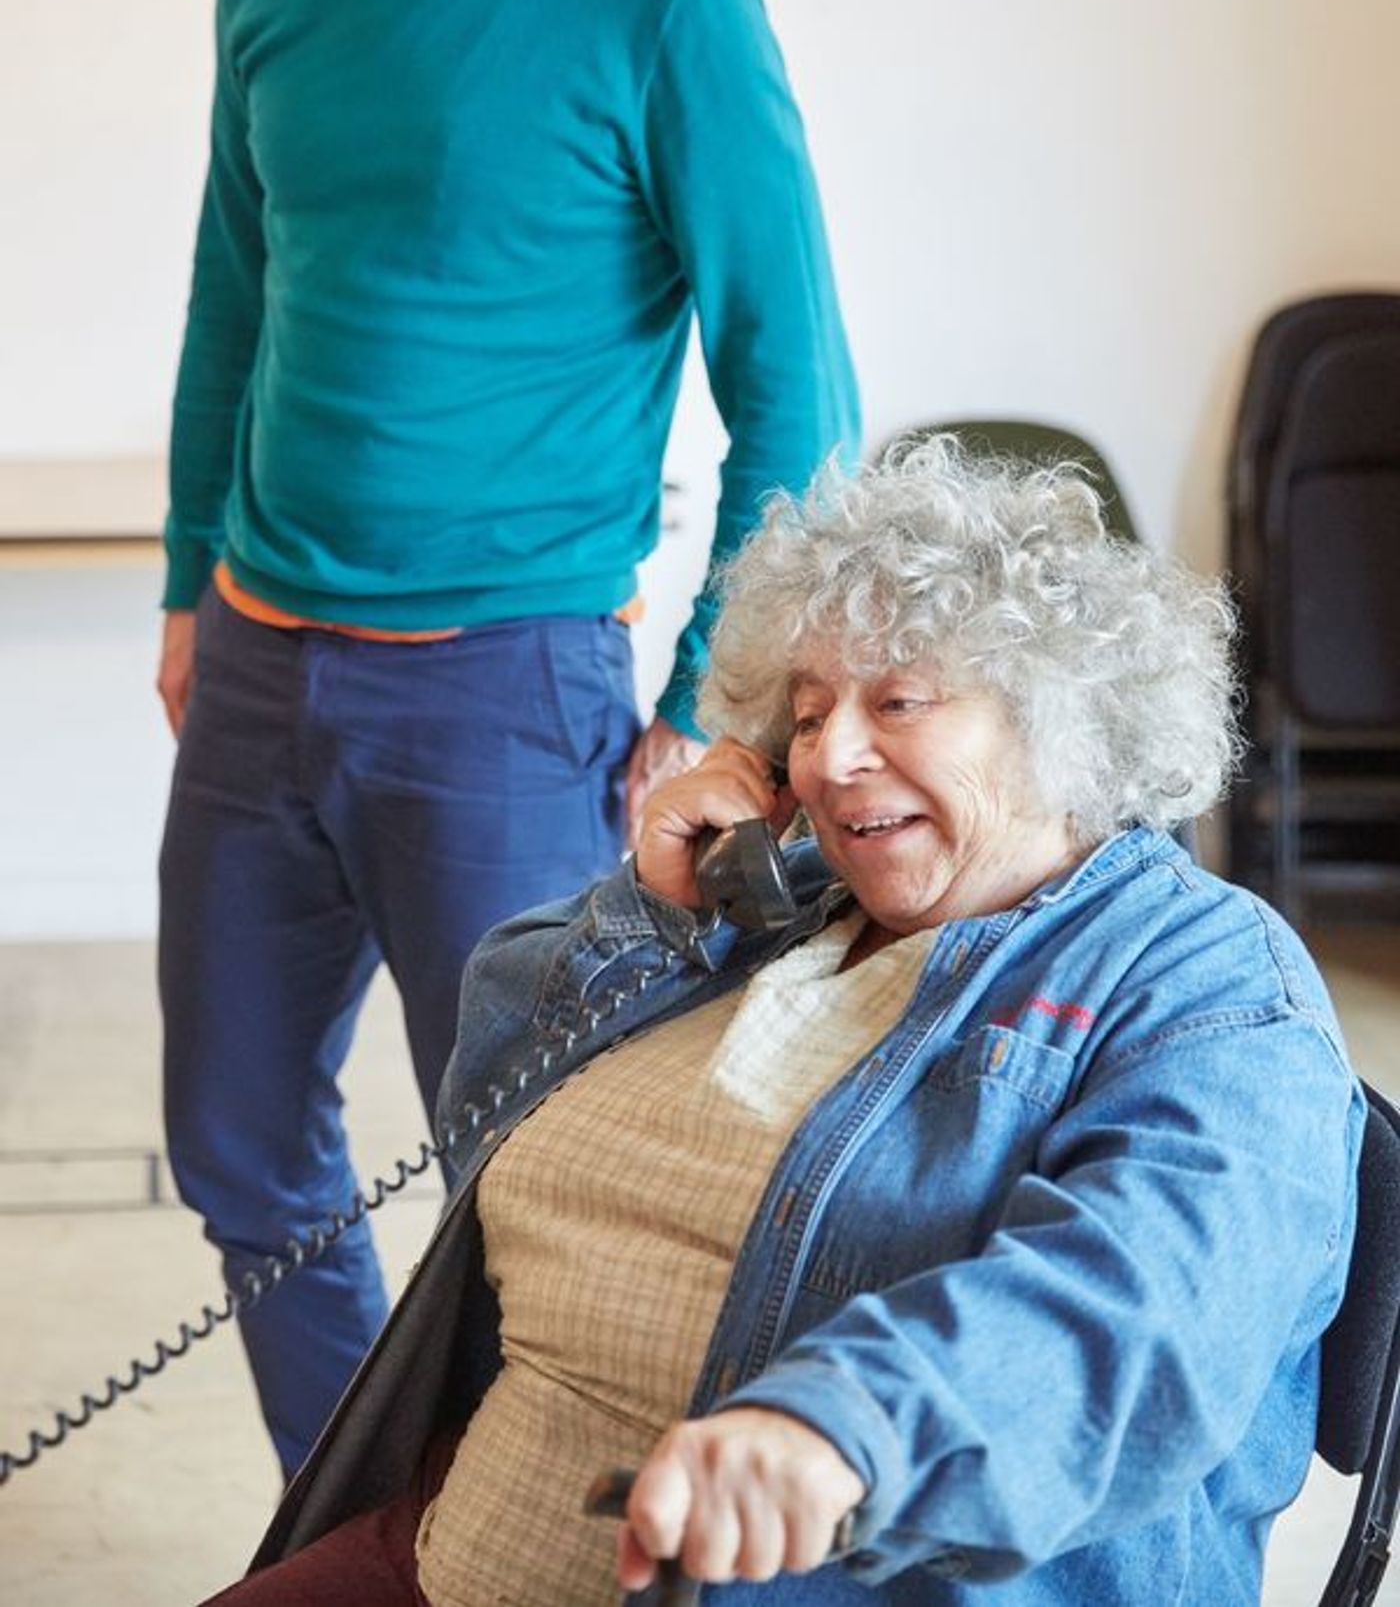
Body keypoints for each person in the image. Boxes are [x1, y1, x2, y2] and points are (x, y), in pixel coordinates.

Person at [156, 0, 859, 1481]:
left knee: (527, 1176)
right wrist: (188, 585)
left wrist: (715, 699)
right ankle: (359, 1534)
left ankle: (506, 1551)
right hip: (260, 666)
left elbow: (797, 386)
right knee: (238, 1149)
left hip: (506, 684)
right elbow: (235, 290)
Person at [200, 436, 1363, 1607]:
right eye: (804, 718)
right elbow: (485, 1114)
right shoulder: (771, 909)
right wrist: (649, 914)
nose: (830, 759)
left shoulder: (1206, 986)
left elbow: (1141, 1312)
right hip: (460, 1540)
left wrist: (845, 1424)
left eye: (897, 701)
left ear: (1054, 715)